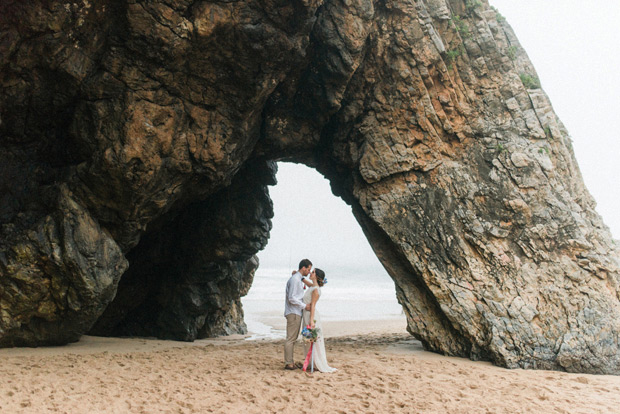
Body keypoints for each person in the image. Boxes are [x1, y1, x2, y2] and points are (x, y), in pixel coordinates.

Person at [302, 268, 337, 373]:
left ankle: (316, 363)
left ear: (316, 276)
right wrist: (301, 278)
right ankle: (312, 362)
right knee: (307, 339)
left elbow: (313, 306)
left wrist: (312, 321)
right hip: (307, 314)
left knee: (313, 340)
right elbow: (309, 285)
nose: (310, 273)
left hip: (311, 315)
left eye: (312, 272)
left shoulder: (316, 290)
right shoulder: (313, 286)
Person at [284, 259, 312, 370]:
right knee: (291, 338)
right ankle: (289, 363)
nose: (309, 272)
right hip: (293, 312)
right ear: (303, 268)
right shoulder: (295, 280)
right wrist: (304, 306)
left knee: (292, 338)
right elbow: (291, 298)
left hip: (295, 312)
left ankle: (290, 361)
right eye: (308, 269)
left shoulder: (298, 278)